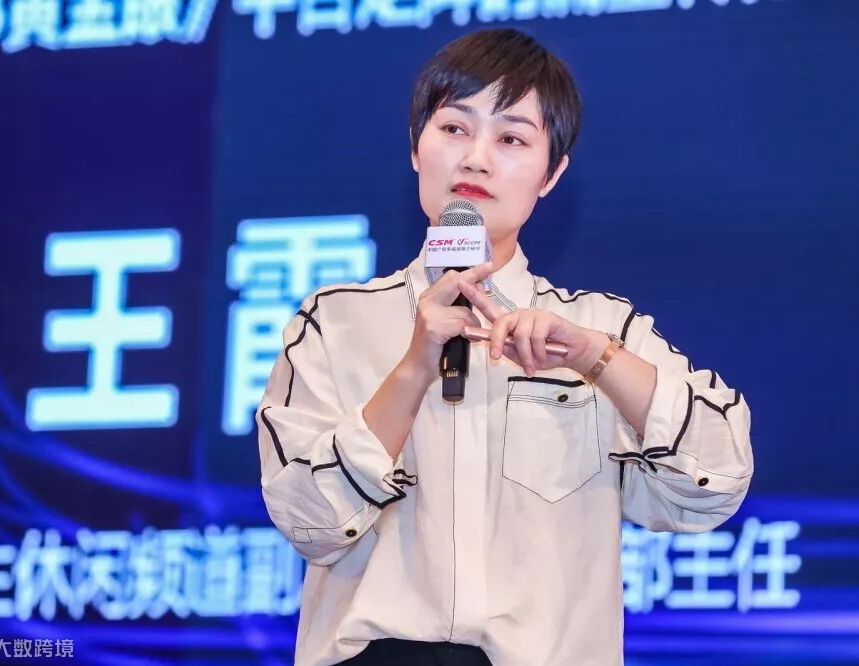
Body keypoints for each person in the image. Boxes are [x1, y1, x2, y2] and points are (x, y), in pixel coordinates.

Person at [256, 28, 753, 666]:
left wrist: (594, 358)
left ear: (551, 174)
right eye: (454, 129)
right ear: (415, 147)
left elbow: (717, 482)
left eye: (512, 139)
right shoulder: (336, 321)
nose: (476, 159)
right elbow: (307, 521)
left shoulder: (601, 327)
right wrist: (412, 370)